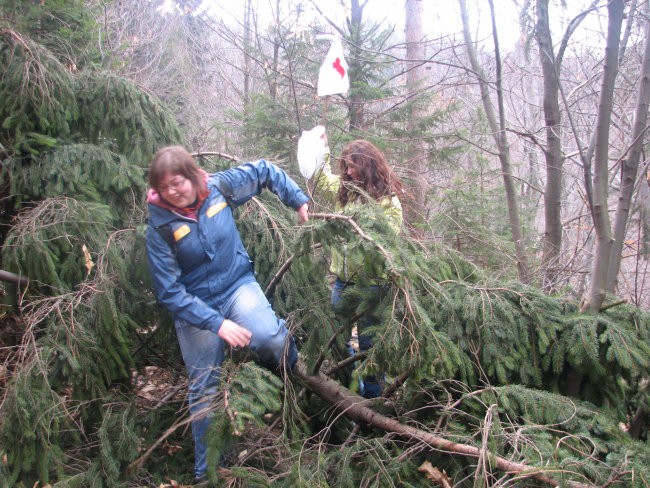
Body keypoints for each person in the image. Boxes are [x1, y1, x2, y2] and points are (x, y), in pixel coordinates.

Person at [145, 145, 309, 481]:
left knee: (271, 339)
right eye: (165, 188)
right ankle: (210, 471)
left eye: (178, 182)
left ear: (192, 176)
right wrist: (217, 323)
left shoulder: (218, 188)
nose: (173, 192)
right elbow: (170, 292)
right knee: (205, 387)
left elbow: (264, 170)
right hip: (196, 308)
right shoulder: (160, 228)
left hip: (237, 286)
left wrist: (297, 198)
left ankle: (297, 378)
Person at [310, 138, 404, 399]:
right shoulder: (346, 190)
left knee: (369, 346)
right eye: (346, 167)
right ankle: (351, 392)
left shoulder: (388, 202)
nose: (348, 172)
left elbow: (387, 242)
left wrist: (355, 233)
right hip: (342, 280)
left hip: (373, 284)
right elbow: (319, 178)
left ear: (369, 166)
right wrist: (321, 146)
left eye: (354, 167)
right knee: (337, 339)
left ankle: (374, 401)